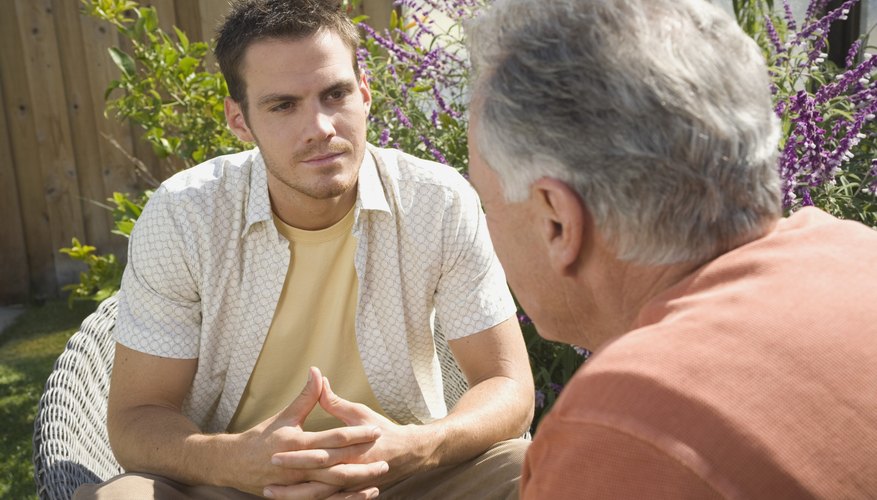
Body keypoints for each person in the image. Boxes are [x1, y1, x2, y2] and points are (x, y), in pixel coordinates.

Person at [75, 0, 534, 498]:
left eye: (335, 94)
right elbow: (136, 419)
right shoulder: (183, 216)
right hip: (238, 481)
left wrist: (417, 447)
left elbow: (507, 385)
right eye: (283, 105)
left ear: (364, 93)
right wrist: (235, 461)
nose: (320, 127)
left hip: (400, 475)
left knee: (531, 467)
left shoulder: (437, 201)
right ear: (240, 120)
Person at [465, 0, 877, 498]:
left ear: (557, 220)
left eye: (486, 203)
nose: (487, 228)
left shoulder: (625, 430)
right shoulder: (858, 253)